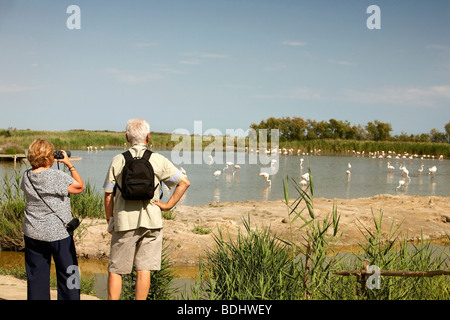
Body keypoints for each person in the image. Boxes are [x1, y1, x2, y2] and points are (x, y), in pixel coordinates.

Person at [104, 118, 190, 300]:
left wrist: (110, 220)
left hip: (124, 222)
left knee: (116, 269)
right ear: (148, 137)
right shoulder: (158, 160)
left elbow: (108, 194)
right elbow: (184, 182)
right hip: (152, 222)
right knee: (144, 270)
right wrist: (167, 206)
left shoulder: (118, 160)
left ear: (127, 138)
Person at [21, 139, 85, 300]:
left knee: (36, 275)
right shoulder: (56, 175)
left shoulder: (26, 175)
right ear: (50, 157)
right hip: (59, 233)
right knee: (69, 272)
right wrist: (70, 165)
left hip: (33, 232)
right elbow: (79, 187)